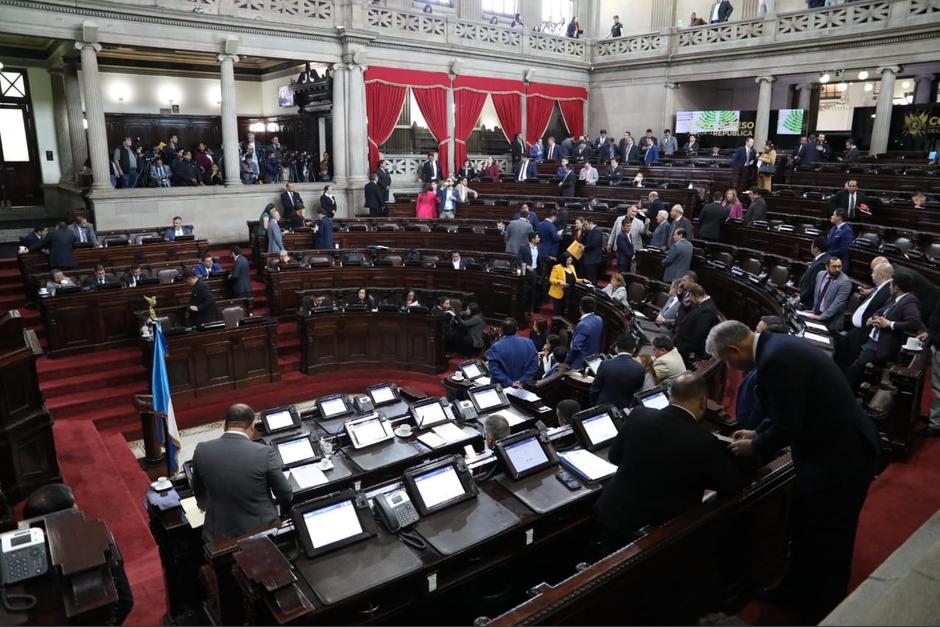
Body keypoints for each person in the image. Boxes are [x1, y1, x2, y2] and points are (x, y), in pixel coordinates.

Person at [708, 321, 879, 623]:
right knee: (805, 529)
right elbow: (785, 411)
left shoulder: (775, 359)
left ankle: (823, 608)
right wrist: (755, 432)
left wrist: (756, 446)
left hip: (842, 458)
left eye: (727, 361)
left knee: (830, 537)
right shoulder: (776, 347)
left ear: (734, 350)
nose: (731, 367)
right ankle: (795, 591)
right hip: (825, 452)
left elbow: (790, 424)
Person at [594, 374, 745, 546]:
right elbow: (731, 486)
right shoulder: (703, 441)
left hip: (613, 513)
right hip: (657, 533)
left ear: (670, 396)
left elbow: (614, 457)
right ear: (703, 401)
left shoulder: (638, 415)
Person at [23, 483, 134, 625]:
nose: (78, 507)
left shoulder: (31, 553)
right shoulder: (99, 538)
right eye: (73, 505)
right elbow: (125, 599)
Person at [192, 403, 292, 542]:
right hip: (261, 532)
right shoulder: (264, 452)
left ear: (224, 425)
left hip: (218, 533)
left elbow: (199, 491)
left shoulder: (201, 449)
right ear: (252, 426)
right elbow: (285, 493)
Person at [845, 272, 922, 390]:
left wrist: (890, 324)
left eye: (891, 285)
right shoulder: (894, 298)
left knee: (854, 369)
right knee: (849, 355)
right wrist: (874, 318)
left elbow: (914, 323)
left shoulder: (909, 301)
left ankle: (845, 393)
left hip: (879, 345)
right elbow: (880, 311)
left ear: (896, 288)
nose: (889, 287)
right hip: (871, 338)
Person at [835, 261, 895, 368]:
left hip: (864, 331)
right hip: (857, 329)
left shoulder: (887, 290)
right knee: (841, 349)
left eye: (873, 273)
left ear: (881, 275)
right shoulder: (881, 287)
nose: (871, 275)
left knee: (848, 359)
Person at [590, 333, 645, 407]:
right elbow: (637, 390)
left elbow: (595, 389)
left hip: (603, 406)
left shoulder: (605, 364)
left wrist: (594, 404)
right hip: (624, 408)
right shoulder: (640, 368)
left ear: (616, 347)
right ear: (634, 349)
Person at [674, 284, 719, 367]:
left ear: (697, 296)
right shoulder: (702, 303)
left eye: (690, 296)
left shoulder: (707, 309)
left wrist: (690, 351)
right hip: (682, 342)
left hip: (687, 347)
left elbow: (699, 333)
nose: (689, 298)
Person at [803, 256, 852, 332]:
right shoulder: (820, 274)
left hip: (831, 323)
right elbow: (818, 295)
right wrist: (815, 310)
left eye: (839, 266)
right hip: (816, 315)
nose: (837, 269)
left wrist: (821, 317)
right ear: (827, 267)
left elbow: (837, 304)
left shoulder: (845, 282)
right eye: (834, 266)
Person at [487, 318, 539, 388]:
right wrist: (521, 380)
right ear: (517, 329)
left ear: (501, 330)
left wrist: (510, 383)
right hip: (524, 386)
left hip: (502, 387)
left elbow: (494, 369)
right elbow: (534, 365)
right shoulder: (529, 343)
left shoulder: (495, 347)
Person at [918, 295, 940, 437]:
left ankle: (936, 425)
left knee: (939, 387)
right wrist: (930, 334)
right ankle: (936, 418)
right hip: (935, 341)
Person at [564, 296, 603, 370]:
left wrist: (567, 362)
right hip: (594, 360)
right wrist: (575, 331)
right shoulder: (599, 319)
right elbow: (590, 335)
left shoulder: (583, 325)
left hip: (581, 363)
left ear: (580, 308)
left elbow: (576, 348)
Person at [798, 236, 831, 309]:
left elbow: (813, 285)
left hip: (809, 303)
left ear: (816, 249)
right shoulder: (820, 259)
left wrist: (800, 297)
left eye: (812, 245)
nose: (811, 247)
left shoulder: (821, 264)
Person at [548, 252, 582, 318]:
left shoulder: (572, 267)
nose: (569, 262)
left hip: (569, 294)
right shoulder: (557, 267)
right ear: (564, 260)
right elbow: (551, 279)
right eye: (568, 260)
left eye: (570, 260)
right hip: (558, 294)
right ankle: (555, 326)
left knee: (564, 313)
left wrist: (583, 280)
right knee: (557, 312)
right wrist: (559, 281)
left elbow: (575, 279)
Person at [519, 232, 544, 314]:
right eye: (537, 237)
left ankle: (531, 310)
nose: (539, 239)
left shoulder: (539, 248)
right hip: (526, 273)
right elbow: (519, 259)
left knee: (534, 292)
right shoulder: (523, 247)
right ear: (532, 239)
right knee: (526, 292)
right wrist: (526, 266)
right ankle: (525, 310)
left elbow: (540, 261)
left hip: (535, 272)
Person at [580, 217, 605, 284]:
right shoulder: (591, 231)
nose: (585, 226)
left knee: (592, 278)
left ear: (591, 223)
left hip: (593, 259)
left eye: (586, 224)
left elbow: (594, 244)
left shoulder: (597, 230)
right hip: (590, 259)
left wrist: (584, 248)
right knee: (589, 277)